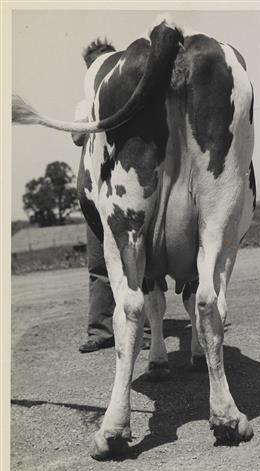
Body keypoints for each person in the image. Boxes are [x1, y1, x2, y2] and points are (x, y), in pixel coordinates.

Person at [72, 39, 150, 353]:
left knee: (133, 257)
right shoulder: (85, 103)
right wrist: (92, 113)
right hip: (95, 191)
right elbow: (77, 136)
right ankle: (100, 330)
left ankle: (141, 330)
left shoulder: (125, 95)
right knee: (97, 264)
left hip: (123, 188)